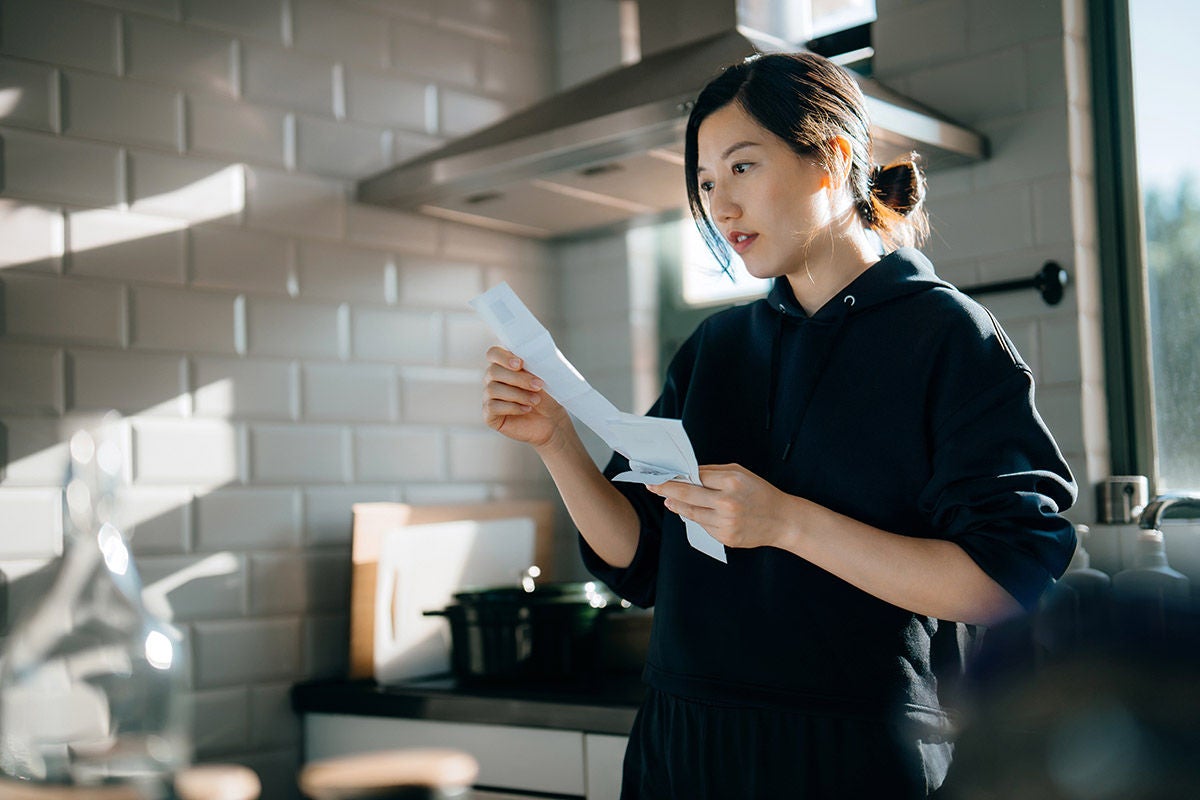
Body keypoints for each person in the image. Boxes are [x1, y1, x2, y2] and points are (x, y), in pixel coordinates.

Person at [482, 51, 1077, 799]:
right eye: (704, 182)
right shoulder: (716, 349)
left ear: (828, 159)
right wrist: (557, 444)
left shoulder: (948, 338)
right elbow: (642, 561)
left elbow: (1006, 581)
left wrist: (788, 523)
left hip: (853, 759)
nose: (720, 206)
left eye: (742, 168)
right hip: (680, 748)